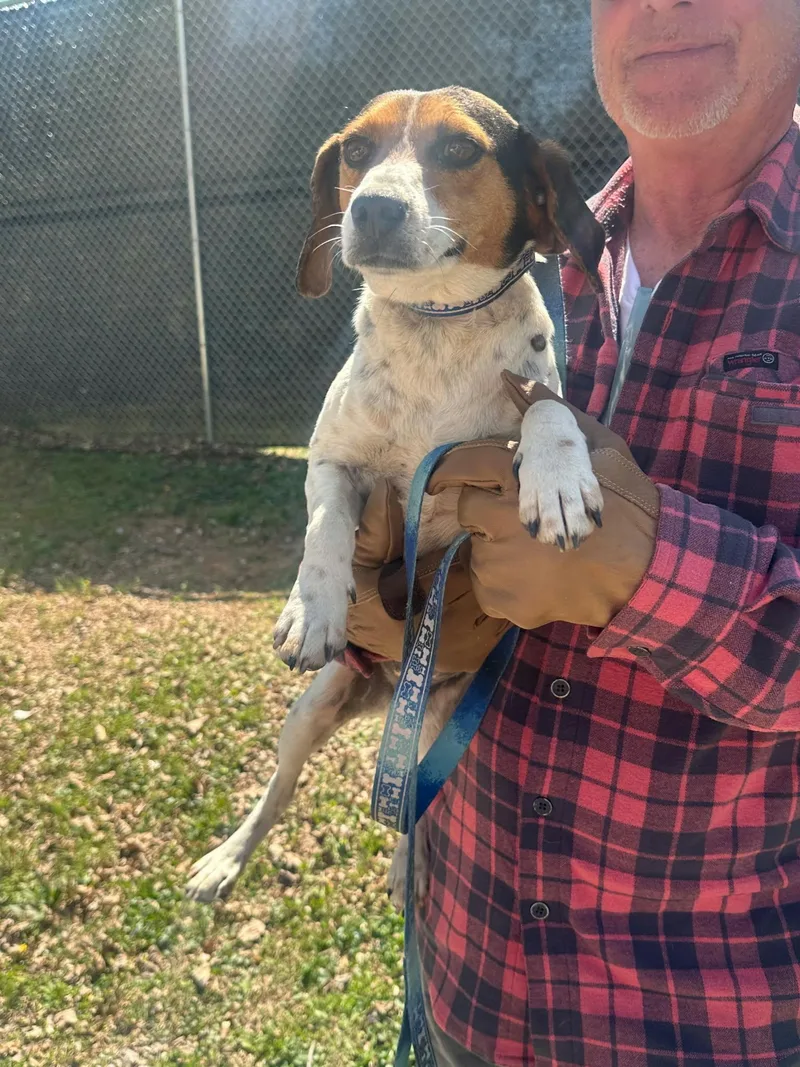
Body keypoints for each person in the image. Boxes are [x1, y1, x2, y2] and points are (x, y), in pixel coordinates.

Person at [348, 0, 800, 1063]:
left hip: (705, 1023)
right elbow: (398, 563)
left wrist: (644, 571)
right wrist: (389, 608)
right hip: (462, 972)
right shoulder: (520, 249)